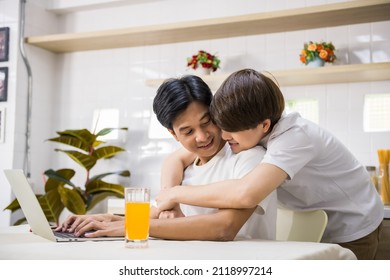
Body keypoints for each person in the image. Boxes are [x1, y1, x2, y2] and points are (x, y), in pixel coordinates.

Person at [155, 69, 384, 259]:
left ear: (264, 125)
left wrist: (176, 194)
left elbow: (245, 193)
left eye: (228, 130)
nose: (222, 136)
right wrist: (169, 200)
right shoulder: (247, 130)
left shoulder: (293, 138)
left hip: (353, 225)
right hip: (313, 222)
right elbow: (176, 157)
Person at [56, 75, 276, 241]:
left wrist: (132, 227)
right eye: (188, 132)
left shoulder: (249, 158)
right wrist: (105, 220)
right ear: (173, 134)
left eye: (207, 121)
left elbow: (224, 228)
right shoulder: (188, 166)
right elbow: (165, 212)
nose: (202, 137)